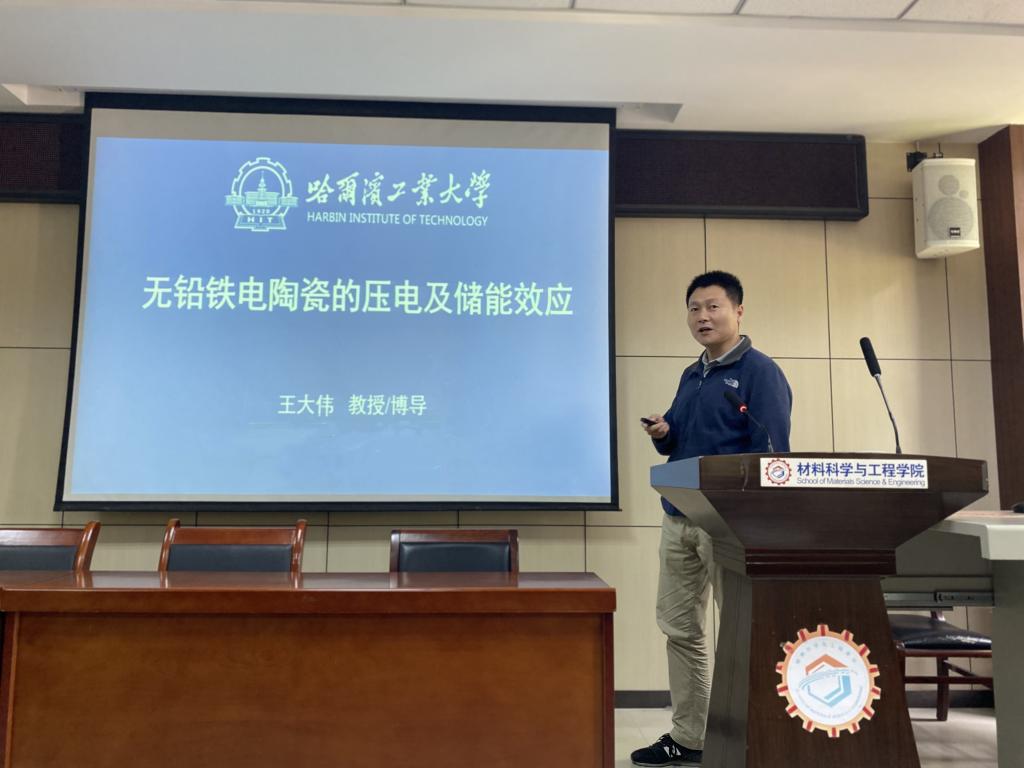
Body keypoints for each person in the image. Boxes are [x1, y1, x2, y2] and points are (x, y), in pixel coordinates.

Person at [630, 270, 792, 767]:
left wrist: (755, 523)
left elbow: (773, 457)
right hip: (679, 518)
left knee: (741, 632)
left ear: (738, 311)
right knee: (680, 629)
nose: (703, 316)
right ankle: (690, 737)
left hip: (728, 524)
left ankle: (753, 735)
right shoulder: (692, 374)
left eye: (713, 306)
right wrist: (664, 432)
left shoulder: (761, 372)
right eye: (694, 308)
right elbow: (679, 443)